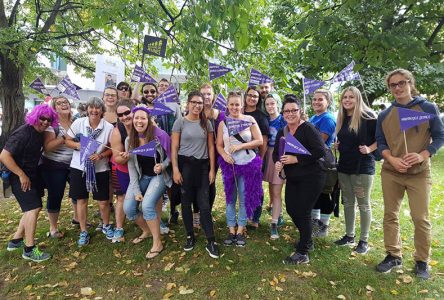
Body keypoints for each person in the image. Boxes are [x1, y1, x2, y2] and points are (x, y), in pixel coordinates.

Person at [375, 69, 444, 279]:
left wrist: (424, 154)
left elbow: (440, 136)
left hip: (419, 174)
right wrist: (392, 159)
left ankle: (422, 261)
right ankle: (393, 255)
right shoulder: (385, 114)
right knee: (390, 215)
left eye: (401, 83)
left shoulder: (427, 107)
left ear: (410, 83)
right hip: (391, 172)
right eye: (393, 85)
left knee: (420, 217)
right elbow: (380, 143)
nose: (397, 88)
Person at [274, 95, 326, 264]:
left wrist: (297, 159)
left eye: (294, 110)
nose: (290, 114)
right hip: (293, 178)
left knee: (302, 212)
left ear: (300, 111)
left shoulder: (308, 129)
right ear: (283, 113)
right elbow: (277, 152)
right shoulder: (284, 131)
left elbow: (320, 151)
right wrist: (278, 162)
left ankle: (303, 252)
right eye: (287, 111)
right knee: (291, 209)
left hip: (312, 177)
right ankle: (307, 237)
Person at [1, 104, 58, 262]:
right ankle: (29, 249)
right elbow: (4, 156)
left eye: (49, 119)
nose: (46, 122)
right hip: (18, 176)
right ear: (35, 117)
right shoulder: (23, 133)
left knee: (30, 209)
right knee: (33, 208)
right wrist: (21, 175)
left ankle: (16, 240)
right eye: (42, 118)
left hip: (32, 174)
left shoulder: (40, 132)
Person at [171, 91, 219, 258]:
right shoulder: (180, 123)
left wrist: (212, 169)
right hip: (185, 166)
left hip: (203, 166)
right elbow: (174, 148)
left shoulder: (207, 124)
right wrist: (175, 169)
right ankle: (190, 235)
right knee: (186, 202)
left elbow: (211, 148)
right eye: (194, 102)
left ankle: (211, 240)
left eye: (200, 102)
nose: (197, 105)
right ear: (188, 103)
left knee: (204, 203)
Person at [122, 104, 172, 258]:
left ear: (148, 120)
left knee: (147, 205)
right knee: (129, 208)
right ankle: (147, 230)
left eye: (143, 118)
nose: (139, 121)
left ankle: (158, 243)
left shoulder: (160, 135)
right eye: (136, 118)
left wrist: (162, 165)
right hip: (142, 177)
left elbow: (171, 156)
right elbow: (131, 167)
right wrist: (136, 191)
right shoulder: (130, 139)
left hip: (159, 177)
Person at [65, 97, 114, 247]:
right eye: (91, 108)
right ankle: (83, 230)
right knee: (81, 200)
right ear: (87, 109)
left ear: (102, 111)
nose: (94, 110)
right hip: (79, 167)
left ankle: (106, 225)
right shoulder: (79, 123)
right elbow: (67, 140)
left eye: (97, 108)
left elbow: (111, 148)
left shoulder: (108, 127)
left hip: (100, 168)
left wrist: (100, 155)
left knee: (104, 201)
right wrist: (79, 146)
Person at [217, 91, 263, 247]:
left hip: (248, 164)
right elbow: (218, 145)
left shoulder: (249, 119)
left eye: (237, 104)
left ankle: (240, 230)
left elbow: (259, 140)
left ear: (242, 105)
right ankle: (231, 229)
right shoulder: (223, 123)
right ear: (227, 106)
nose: (235, 107)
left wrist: (241, 146)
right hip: (230, 166)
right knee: (230, 198)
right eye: (232, 104)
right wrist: (224, 155)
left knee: (244, 199)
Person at [333, 87, 377, 254]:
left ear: (358, 99)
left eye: (351, 97)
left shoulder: (369, 117)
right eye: (345, 97)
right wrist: (338, 145)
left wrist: (370, 148)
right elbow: (346, 139)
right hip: (345, 166)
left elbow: (382, 139)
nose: (347, 100)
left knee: (363, 204)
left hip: (362, 168)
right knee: (348, 202)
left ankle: (364, 240)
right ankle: (349, 235)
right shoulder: (343, 118)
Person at [39, 96, 74, 238]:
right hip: (54, 166)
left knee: (77, 192)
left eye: (65, 102)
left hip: (73, 165)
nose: (63, 105)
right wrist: (64, 137)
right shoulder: (52, 125)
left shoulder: (75, 121)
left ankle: (78, 219)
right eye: (59, 103)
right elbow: (47, 147)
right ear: (54, 108)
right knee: (55, 195)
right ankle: (53, 228)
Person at [309, 89, 336, 237]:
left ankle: (324, 225)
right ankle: (315, 222)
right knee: (315, 193)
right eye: (314, 99)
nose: (316, 102)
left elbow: (319, 142)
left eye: (320, 99)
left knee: (324, 192)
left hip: (323, 162)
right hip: (314, 161)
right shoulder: (314, 117)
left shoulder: (327, 119)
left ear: (328, 102)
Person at [243, 86, 269, 229]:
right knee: (243, 188)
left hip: (255, 157)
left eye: (255, 96)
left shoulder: (261, 116)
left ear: (259, 100)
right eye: (250, 95)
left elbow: (263, 141)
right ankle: (245, 214)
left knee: (256, 188)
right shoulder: (238, 112)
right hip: (238, 157)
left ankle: (255, 218)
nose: (252, 98)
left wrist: (261, 159)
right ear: (245, 96)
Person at [109, 99, 134, 243]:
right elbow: (116, 158)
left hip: (141, 168)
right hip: (123, 169)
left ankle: (155, 221)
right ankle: (119, 228)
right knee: (121, 198)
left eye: (127, 113)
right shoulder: (117, 131)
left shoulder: (142, 121)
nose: (124, 117)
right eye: (120, 115)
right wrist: (126, 156)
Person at [263, 94, 286, 239]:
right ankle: (278, 212)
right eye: (267, 104)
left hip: (279, 156)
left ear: (277, 104)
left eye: (272, 103)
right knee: (271, 188)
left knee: (277, 190)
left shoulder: (283, 120)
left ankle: (274, 224)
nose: (270, 106)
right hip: (267, 155)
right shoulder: (265, 120)